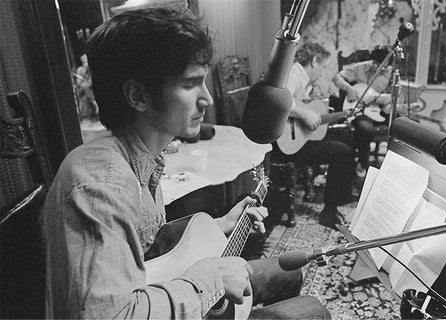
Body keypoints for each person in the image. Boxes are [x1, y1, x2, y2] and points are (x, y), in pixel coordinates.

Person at [40, 7, 331, 319]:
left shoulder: (143, 159)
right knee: (311, 310)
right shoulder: (99, 184)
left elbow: (151, 253)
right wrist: (215, 280)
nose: (207, 99)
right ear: (139, 95)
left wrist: (221, 227)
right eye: (191, 83)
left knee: (290, 272)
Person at [274, 42, 355, 231]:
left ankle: (338, 200)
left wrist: (325, 115)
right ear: (314, 61)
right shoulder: (294, 72)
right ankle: (329, 211)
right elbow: (278, 102)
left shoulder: (304, 81)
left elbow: (302, 108)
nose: (323, 71)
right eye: (323, 66)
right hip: (283, 145)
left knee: (342, 138)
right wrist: (304, 114)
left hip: (296, 141)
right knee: (341, 152)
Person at [332, 46, 393, 178]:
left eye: (383, 67)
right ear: (373, 60)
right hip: (362, 111)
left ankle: (390, 171)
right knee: (365, 128)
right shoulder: (360, 67)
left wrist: (379, 98)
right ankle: (363, 161)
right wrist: (349, 89)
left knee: (401, 126)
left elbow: (394, 97)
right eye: (376, 64)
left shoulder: (392, 74)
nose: (379, 68)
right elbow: (337, 78)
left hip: (381, 110)